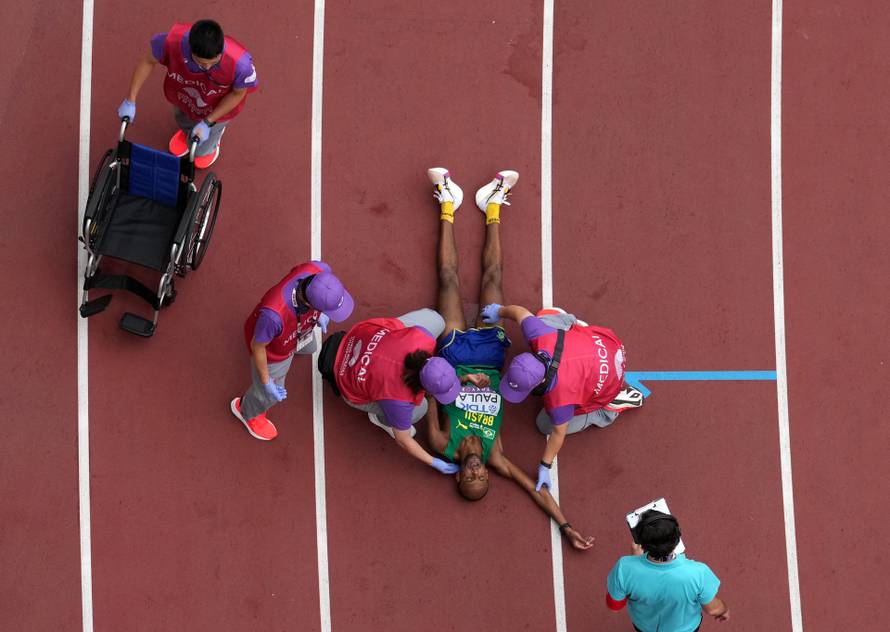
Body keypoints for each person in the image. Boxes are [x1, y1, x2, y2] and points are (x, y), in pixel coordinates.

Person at [421, 166, 594, 550]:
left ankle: (447, 205)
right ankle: (492, 207)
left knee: (447, 278)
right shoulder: (495, 455)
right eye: (482, 478)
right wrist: (565, 526)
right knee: (493, 280)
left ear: (458, 478)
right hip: (491, 354)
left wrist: (460, 381)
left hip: (453, 353)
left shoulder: (440, 443)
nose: (477, 472)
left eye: (471, 479)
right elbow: (533, 488)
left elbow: (428, 388)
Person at [478, 301, 644, 492]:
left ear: (538, 384)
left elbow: (558, 433)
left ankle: (608, 409)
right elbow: (520, 312)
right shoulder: (541, 336)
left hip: (609, 383)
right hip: (608, 343)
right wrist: (498, 311)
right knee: (542, 319)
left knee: (544, 424)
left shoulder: (560, 399)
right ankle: (570, 322)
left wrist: (545, 465)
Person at [322, 306, 461, 476]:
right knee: (421, 409)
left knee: (436, 321)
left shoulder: (423, 338)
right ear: (423, 387)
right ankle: (382, 419)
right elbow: (403, 440)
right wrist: (433, 462)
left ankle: (387, 343)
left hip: (358, 337)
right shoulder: (399, 399)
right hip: (345, 378)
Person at [231, 261, 353, 441]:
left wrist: (321, 315)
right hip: (273, 351)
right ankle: (247, 410)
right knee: (272, 392)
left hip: (295, 331)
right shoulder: (273, 316)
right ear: (311, 303)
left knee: (310, 347)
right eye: (326, 310)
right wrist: (266, 382)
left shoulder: (319, 270)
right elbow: (258, 347)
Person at [117, 19, 258, 168]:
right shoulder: (171, 42)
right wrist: (130, 100)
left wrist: (208, 122)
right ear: (190, 50)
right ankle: (187, 132)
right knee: (183, 120)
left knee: (200, 152)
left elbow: (237, 94)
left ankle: (214, 138)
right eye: (202, 64)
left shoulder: (241, 66)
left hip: (217, 108)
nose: (208, 68)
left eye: (214, 62)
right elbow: (147, 61)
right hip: (185, 96)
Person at [606, 510, 730, 631]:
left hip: (644, 627)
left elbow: (614, 606)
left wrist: (635, 560)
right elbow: (713, 609)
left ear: (641, 543)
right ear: (677, 538)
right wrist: (724, 610)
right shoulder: (699, 572)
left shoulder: (624, 567)